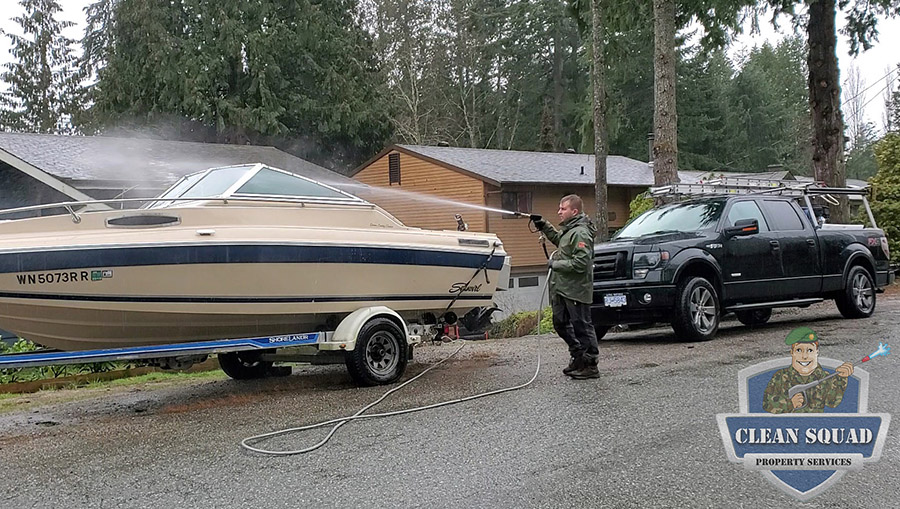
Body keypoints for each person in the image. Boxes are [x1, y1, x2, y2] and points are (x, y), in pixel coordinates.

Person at [531, 195, 599, 379]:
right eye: (559, 208)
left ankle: (590, 365)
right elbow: (559, 240)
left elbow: (581, 263)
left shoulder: (581, 233)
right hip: (561, 288)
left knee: (582, 327)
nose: (559, 212)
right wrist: (543, 225)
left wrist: (555, 264)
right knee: (560, 323)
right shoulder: (569, 231)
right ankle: (578, 357)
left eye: (563, 209)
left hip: (576, 289)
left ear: (574, 211)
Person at [763, 327, 853, 413]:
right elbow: (767, 404)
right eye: (799, 350)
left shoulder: (825, 377)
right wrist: (790, 403)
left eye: (810, 350)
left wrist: (841, 378)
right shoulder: (780, 377)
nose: (804, 356)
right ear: (792, 352)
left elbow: (832, 403)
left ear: (817, 352)